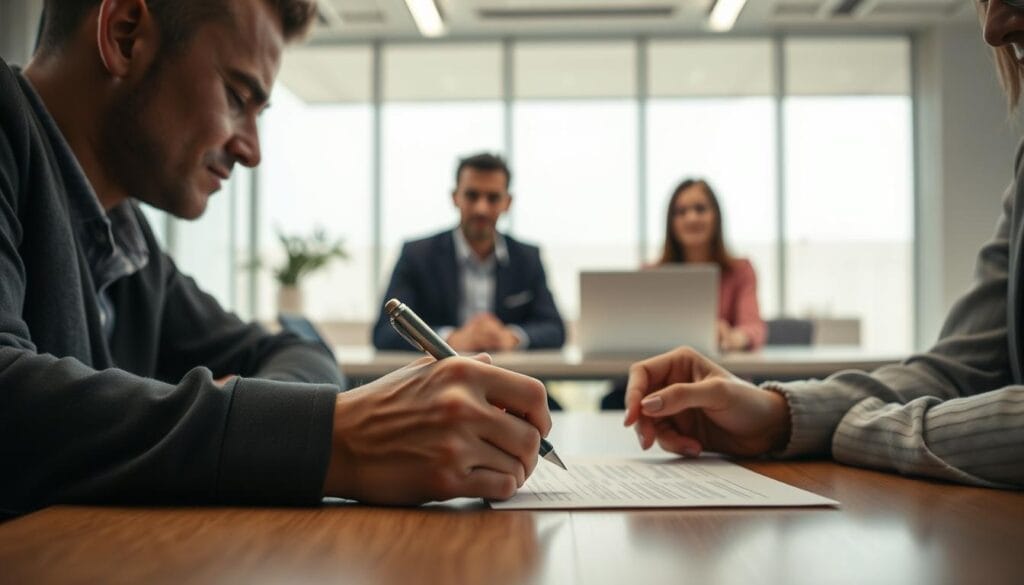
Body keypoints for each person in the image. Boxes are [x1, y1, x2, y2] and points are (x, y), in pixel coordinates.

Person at [0, 0, 550, 517]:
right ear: (123, 34)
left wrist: (250, 420)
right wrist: (331, 438)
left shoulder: (125, 237)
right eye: (238, 97)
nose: (252, 151)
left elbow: (296, 348)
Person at [623, 0, 1024, 489]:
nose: (992, 29)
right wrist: (776, 413)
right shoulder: (653, 271)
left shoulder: (738, 268)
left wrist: (853, 425)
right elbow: (958, 370)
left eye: (700, 208)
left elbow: (752, 328)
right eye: (985, 0)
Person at [372, 153, 566, 353]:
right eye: (472, 195)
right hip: (441, 380)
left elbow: (555, 329)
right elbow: (385, 332)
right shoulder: (417, 255)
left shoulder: (527, 258)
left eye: (493, 198)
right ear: (455, 197)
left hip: (510, 377)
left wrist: (511, 337)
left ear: (507, 202)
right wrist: (450, 339)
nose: (481, 208)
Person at [654, 178, 766, 352]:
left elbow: (753, 328)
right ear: (671, 222)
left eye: (700, 209)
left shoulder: (740, 271)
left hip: (724, 374)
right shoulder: (651, 275)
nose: (691, 218)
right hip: (665, 376)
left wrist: (732, 337)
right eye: (681, 212)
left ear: (716, 216)